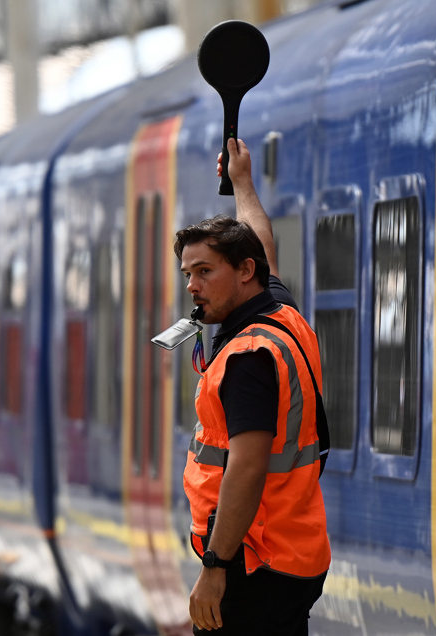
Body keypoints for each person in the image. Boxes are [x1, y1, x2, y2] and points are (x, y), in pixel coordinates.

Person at [178, 137, 329, 635]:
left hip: (253, 562)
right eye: (187, 274)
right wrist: (242, 183)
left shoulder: (248, 358)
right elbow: (261, 243)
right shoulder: (282, 315)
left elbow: (246, 466)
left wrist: (215, 566)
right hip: (293, 554)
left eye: (204, 272)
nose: (192, 286)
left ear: (244, 274)